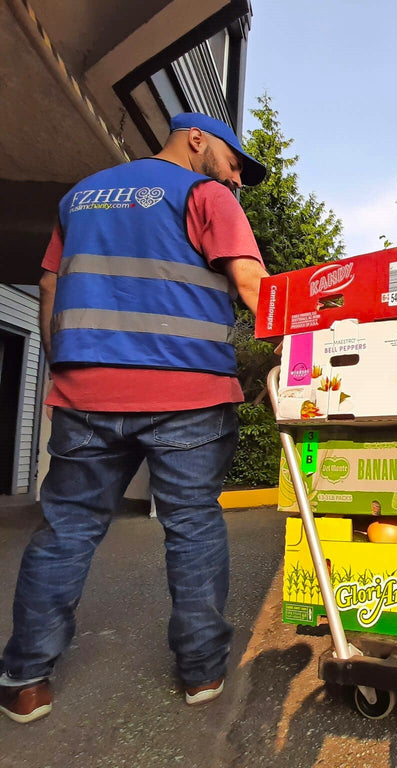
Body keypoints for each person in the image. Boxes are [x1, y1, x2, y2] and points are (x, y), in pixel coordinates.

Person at [0, 112, 269, 723]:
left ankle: (25, 680)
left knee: (66, 531)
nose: (235, 180)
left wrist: (63, 366)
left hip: (86, 394)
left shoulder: (81, 197)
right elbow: (253, 286)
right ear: (197, 139)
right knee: (194, 527)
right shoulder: (206, 196)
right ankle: (200, 673)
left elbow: (48, 286)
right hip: (190, 394)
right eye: (233, 164)